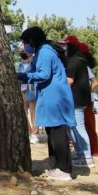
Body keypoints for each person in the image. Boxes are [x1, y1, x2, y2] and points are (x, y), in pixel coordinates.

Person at [17, 27, 76, 181]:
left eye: (25, 41)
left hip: (54, 96)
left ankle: (64, 169)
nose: (24, 45)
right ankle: (56, 165)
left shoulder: (44, 52)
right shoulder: (44, 51)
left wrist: (22, 76)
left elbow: (44, 74)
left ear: (32, 40)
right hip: (51, 95)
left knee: (58, 133)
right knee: (52, 132)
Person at [60, 35, 94, 168]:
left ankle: (86, 156)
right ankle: (81, 154)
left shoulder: (73, 61)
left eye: (65, 45)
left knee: (78, 127)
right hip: (80, 98)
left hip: (76, 99)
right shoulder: (80, 59)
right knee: (73, 127)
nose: (63, 48)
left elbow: (69, 81)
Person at [80, 43, 98, 161]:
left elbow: (95, 83)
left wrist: (86, 93)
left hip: (86, 101)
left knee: (89, 126)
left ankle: (95, 152)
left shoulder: (85, 67)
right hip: (83, 100)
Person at [16, 44, 38, 144]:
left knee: (33, 111)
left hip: (32, 87)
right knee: (23, 111)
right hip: (22, 88)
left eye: (23, 51)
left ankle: (34, 133)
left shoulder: (35, 63)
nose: (22, 52)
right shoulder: (18, 64)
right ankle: (29, 131)